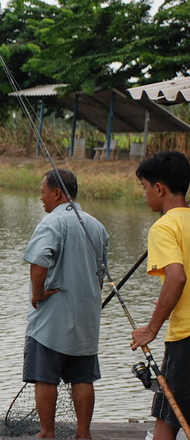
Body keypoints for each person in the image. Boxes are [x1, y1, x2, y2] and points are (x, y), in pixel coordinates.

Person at [22, 169, 109, 439]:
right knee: (82, 376)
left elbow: (38, 261)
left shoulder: (51, 223)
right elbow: (101, 273)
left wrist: (38, 294)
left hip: (53, 318)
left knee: (44, 376)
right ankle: (83, 433)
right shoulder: (97, 226)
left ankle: (47, 432)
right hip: (86, 318)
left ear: (57, 193)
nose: (41, 198)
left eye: (43, 192)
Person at [131, 151, 190, 440]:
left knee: (168, 417)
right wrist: (170, 303)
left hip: (185, 338)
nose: (144, 195)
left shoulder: (165, 226)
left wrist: (151, 328)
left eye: (144, 187)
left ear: (159, 188)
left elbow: (177, 277)